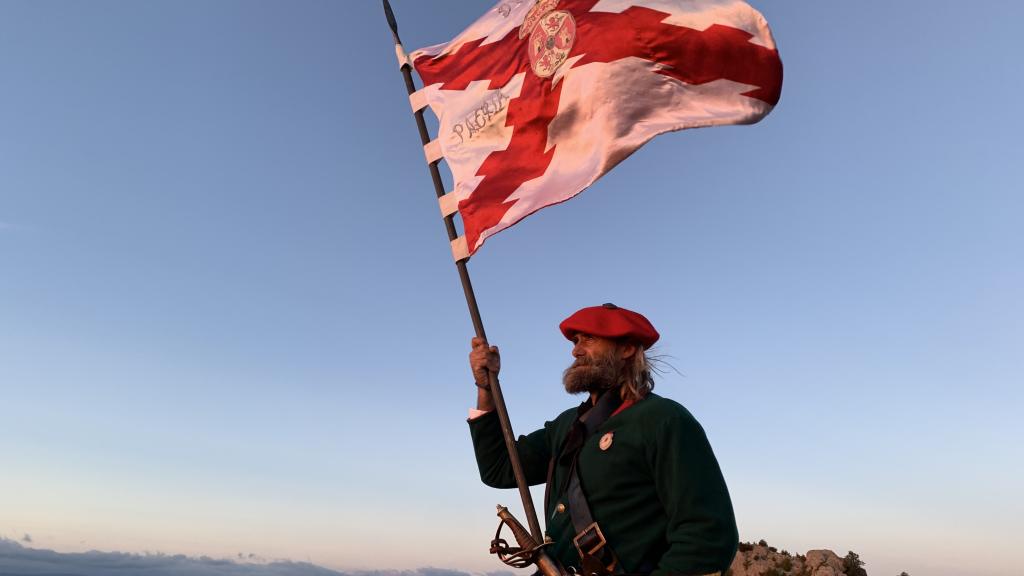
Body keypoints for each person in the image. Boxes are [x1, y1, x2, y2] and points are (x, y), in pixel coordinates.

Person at [468, 303, 737, 576]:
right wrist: (485, 389)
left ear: (627, 348)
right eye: (575, 341)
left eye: (590, 338)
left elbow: (708, 536)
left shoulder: (663, 419)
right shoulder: (566, 425)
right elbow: (498, 468)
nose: (576, 350)